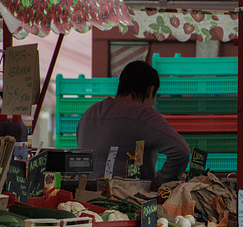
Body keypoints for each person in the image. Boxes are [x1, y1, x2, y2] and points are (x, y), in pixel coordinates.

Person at [76, 60, 190, 188]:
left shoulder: (89, 113)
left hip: (85, 199)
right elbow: (181, 151)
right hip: (125, 201)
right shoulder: (142, 114)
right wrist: (158, 185)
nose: (153, 103)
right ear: (150, 91)